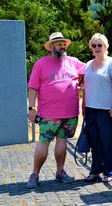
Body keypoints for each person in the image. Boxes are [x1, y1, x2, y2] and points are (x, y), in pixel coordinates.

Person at [26, 32, 85, 189]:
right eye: (58, 44)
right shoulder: (41, 64)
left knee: (62, 142)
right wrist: (32, 109)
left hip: (70, 113)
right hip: (48, 115)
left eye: (63, 43)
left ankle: (60, 172)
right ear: (51, 46)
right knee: (43, 142)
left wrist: (83, 81)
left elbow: (90, 72)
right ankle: (34, 174)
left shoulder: (74, 62)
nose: (62, 46)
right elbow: (32, 87)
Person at [82, 33, 112, 182]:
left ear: (106, 47)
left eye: (100, 45)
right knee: (94, 142)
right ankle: (95, 170)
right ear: (91, 47)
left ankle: (109, 171)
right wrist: (83, 105)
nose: (97, 48)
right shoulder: (88, 64)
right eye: (94, 45)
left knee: (108, 142)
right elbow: (86, 87)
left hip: (108, 110)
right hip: (91, 109)